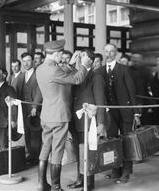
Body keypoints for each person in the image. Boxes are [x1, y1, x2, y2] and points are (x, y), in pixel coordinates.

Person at [36, 39, 92, 191]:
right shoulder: (54, 70)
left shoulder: (40, 68)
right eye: (60, 54)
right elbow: (76, 79)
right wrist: (85, 66)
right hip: (59, 116)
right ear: (55, 54)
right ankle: (55, 187)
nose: (61, 57)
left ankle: (42, 184)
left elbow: (60, 74)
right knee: (58, 151)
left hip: (46, 115)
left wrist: (70, 65)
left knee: (45, 148)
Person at [97, 43, 140, 184]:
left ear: (115, 54)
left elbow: (131, 91)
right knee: (113, 142)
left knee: (127, 141)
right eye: (106, 51)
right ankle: (116, 170)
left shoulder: (124, 69)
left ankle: (126, 172)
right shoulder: (100, 71)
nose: (108, 54)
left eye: (111, 51)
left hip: (125, 111)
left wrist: (136, 113)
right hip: (110, 113)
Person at [67, 49, 106, 191]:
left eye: (82, 56)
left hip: (88, 121)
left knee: (88, 154)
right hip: (76, 120)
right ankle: (80, 179)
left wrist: (101, 123)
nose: (79, 58)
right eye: (78, 56)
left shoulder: (96, 77)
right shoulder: (76, 75)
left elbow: (100, 101)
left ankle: (89, 183)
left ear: (89, 60)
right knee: (79, 152)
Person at [15, 52, 42, 166]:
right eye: (24, 61)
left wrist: (35, 106)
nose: (26, 63)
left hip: (35, 109)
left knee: (35, 133)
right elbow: (15, 90)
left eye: (28, 61)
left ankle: (37, 157)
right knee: (27, 133)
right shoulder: (21, 76)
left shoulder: (38, 74)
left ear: (33, 61)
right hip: (24, 109)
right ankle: (31, 155)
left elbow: (39, 91)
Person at [0, 69, 17, 150]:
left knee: (3, 146)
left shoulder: (9, 89)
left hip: (4, 121)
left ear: (4, 75)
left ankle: (5, 163)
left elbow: (13, 105)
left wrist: (13, 120)